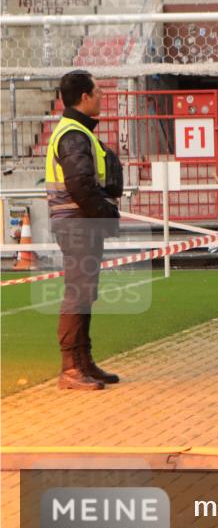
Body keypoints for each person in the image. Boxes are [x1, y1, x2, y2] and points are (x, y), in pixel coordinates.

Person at [46, 70, 124, 390]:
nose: (103, 96)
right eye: (98, 91)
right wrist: (106, 215)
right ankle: (71, 368)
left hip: (81, 223)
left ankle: (83, 362)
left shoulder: (78, 132)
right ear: (84, 97)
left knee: (85, 293)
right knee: (78, 294)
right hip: (78, 224)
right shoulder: (73, 135)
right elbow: (80, 185)